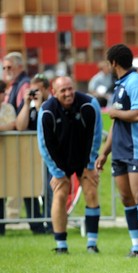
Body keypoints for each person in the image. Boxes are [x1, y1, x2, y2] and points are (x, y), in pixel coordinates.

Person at [95, 44, 138, 260]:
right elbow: (116, 122)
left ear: (113, 62)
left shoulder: (136, 81)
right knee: (126, 198)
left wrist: (116, 113)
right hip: (120, 151)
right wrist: (104, 152)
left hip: (137, 148)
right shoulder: (120, 85)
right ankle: (137, 246)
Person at [37, 76, 103, 254]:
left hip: (83, 157)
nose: (68, 93)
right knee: (60, 194)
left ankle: (92, 244)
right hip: (60, 158)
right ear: (54, 93)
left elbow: (96, 137)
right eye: (63, 90)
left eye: (70, 89)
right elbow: (44, 144)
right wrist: (56, 172)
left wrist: (90, 165)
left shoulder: (89, 104)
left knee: (91, 191)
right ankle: (61, 245)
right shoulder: (46, 110)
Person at [16, 73, 53, 233]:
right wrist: (26, 104)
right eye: (31, 90)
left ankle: (52, 224)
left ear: (45, 89)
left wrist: (39, 108)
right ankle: (36, 226)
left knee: (49, 191)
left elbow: (47, 127)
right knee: (29, 188)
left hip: (50, 157)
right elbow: (20, 126)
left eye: (37, 90)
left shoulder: (52, 104)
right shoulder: (29, 105)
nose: (34, 94)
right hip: (31, 156)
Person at [2, 52, 30, 221]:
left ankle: (12, 217)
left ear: (19, 66)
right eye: (4, 67)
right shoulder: (13, 85)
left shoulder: (23, 86)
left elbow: (20, 120)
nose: (6, 70)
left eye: (9, 67)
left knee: (17, 181)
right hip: (12, 144)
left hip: (21, 143)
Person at [0, 79, 17, 236]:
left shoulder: (8, 108)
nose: (5, 95)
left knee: (6, 189)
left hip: (8, 156)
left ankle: (3, 227)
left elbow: (13, 124)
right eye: (3, 92)